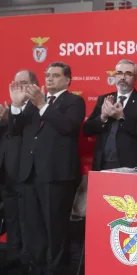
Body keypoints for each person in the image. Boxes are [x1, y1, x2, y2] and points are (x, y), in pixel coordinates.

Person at [9, 62, 86, 275]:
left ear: (67, 80)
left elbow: (66, 127)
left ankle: (56, 270)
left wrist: (43, 104)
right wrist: (16, 107)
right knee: (34, 229)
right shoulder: (33, 104)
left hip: (56, 176)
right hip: (30, 174)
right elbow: (15, 131)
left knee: (55, 230)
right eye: (47, 75)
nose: (49, 79)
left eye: (55, 75)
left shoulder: (74, 101)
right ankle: (37, 268)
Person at [83, 59, 137, 171]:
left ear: (135, 78)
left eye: (128, 74)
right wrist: (103, 117)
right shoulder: (104, 99)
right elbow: (87, 130)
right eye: (119, 73)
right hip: (103, 163)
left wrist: (122, 118)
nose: (122, 77)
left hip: (131, 165)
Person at [0, 70, 37, 275]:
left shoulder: (37, 107)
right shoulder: (11, 107)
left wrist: (15, 111)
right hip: (6, 171)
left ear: (33, 85)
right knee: (12, 217)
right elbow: (9, 134)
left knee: (27, 218)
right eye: (16, 82)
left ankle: (28, 258)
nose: (19, 86)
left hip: (27, 173)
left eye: (24, 82)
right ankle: (14, 256)